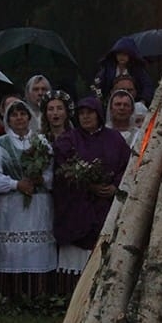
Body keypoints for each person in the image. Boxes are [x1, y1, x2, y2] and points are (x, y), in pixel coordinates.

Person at [51, 96, 131, 292]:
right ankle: (70, 296)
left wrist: (115, 186)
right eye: (81, 114)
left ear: (99, 114)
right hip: (78, 206)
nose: (85, 117)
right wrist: (88, 185)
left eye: (90, 113)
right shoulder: (68, 140)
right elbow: (63, 170)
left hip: (106, 206)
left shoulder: (114, 139)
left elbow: (128, 166)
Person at [0, 99, 56, 300]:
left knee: (35, 248)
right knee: (11, 250)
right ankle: (9, 295)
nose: (19, 118)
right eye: (14, 115)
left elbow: (52, 175)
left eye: (22, 114)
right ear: (8, 119)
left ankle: (37, 295)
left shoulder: (41, 141)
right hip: (10, 208)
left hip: (38, 206)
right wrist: (17, 184)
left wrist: (40, 178)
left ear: (29, 117)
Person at [93, 36, 156, 106]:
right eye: (119, 54)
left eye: (125, 54)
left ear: (130, 55)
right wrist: (98, 100)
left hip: (133, 105)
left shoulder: (138, 70)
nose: (121, 57)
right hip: (111, 105)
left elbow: (147, 86)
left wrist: (142, 102)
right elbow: (97, 85)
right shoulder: (107, 70)